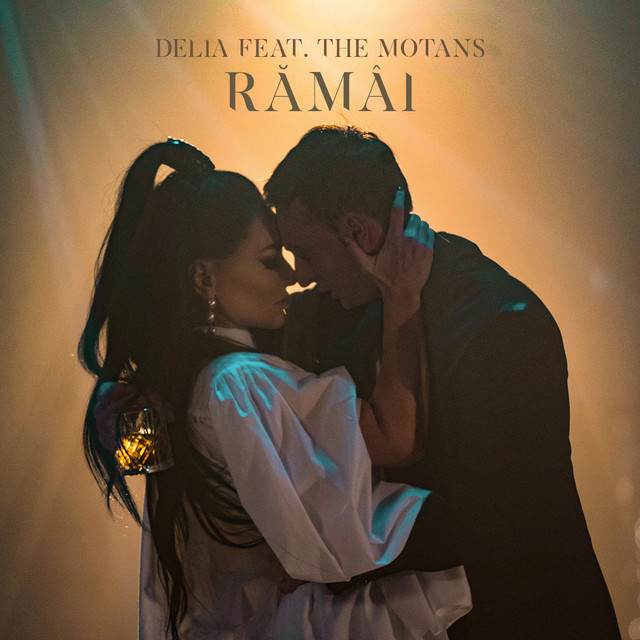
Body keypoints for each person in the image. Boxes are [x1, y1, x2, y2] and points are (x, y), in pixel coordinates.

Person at [80, 139, 471, 639]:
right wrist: (403, 299)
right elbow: (396, 439)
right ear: (204, 278)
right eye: (270, 260)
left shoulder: (181, 384)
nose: (293, 276)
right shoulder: (238, 383)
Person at [263, 124, 622, 640]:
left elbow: (493, 523)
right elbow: (264, 321)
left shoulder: (499, 328)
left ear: (359, 233)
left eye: (307, 254)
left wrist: (326, 554)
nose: (300, 275)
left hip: (525, 621)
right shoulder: (355, 302)